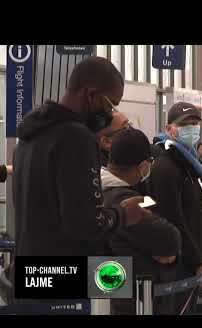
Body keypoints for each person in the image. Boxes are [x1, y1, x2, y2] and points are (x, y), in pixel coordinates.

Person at [13, 56, 149, 257]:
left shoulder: (29, 137)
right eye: (111, 105)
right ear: (91, 95)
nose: (111, 114)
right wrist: (123, 214)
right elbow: (84, 224)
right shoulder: (76, 138)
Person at [101, 128, 181, 315]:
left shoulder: (97, 192)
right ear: (143, 166)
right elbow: (170, 239)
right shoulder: (125, 200)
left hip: (112, 294)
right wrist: (171, 255)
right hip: (135, 302)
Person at [144, 101, 202, 314]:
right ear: (169, 129)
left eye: (195, 123)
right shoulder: (166, 165)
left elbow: (194, 216)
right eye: (185, 124)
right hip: (179, 264)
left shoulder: (187, 163)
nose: (192, 128)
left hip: (187, 260)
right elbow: (173, 217)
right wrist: (197, 259)